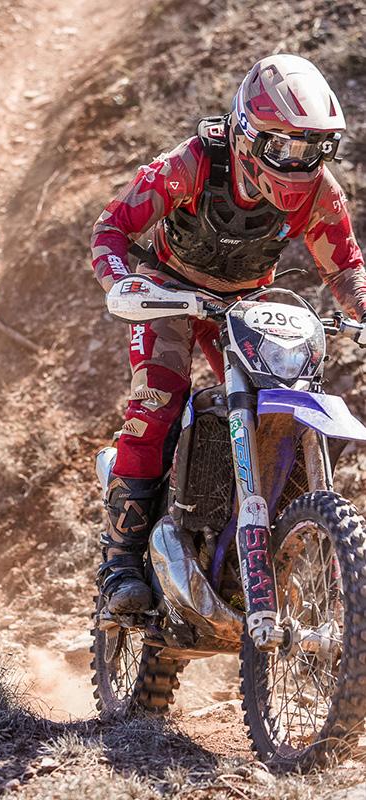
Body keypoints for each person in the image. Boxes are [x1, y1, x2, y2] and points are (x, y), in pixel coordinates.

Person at [91, 54, 366, 615]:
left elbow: (344, 267)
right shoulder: (191, 164)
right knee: (159, 401)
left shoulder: (319, 191)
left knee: (278, 406)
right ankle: (121, 562)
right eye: (282, 146)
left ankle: (256, 548)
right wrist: (120, 283)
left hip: (244, 304)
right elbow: (112, 226)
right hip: (167, 292)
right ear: (244, 133)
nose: (297, 162)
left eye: (313, 148)